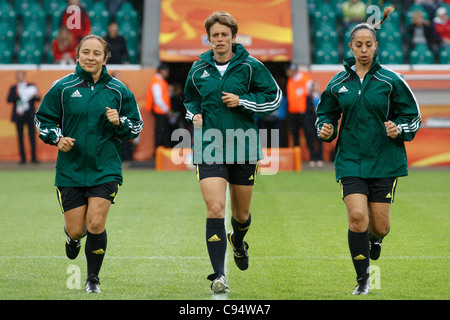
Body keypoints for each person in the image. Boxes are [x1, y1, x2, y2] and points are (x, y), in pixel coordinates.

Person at [316, 7, 421, 295]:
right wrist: (325, 129)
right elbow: (324, 114)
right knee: (357, 218)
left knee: (380, 226)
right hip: (350, 160)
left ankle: (376, 240)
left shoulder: (392, 80)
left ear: (376, 46)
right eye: (358, 45)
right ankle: (363, 280)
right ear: (350, 47)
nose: (363, 50)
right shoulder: (338, 82)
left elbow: (413, 116)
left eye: (368, 44)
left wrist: (398, 129)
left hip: (385, 160)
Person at [35, 35, 143, 293]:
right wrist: (57, 138)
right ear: (77, 55)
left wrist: (119, 123)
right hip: (70, 170)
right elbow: (42, 121)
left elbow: (136, 125)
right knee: (77, 230)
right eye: (86, 52)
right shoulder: (61, 87)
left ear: (106, 58)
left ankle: (92, 279)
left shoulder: (119, 90)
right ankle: (72, 240)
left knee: (96, 223)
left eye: (97, 53)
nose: (91, 57)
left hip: (105, 168)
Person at [183, 11, 281, 294]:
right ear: (209, 38)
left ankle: (237, 241)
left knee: (241, 214)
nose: (219, 39)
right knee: (214, 207)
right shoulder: (198, 68)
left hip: (244, 146)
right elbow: (190, 98)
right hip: (209, 146)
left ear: (233, 37)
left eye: (224, 34)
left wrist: (243, 101)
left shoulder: (251, 66)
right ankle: (219, 275)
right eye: (215, 35)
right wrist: (195, 113)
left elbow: (273, 97)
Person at [7, 70, 40, 164]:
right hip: (19, 114)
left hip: (29, 114)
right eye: (17, 75)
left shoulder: (31, 86)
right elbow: (9, 99)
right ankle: (23, 158)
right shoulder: (14, 88)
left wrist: (35, 95)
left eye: (21, 75)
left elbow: (38, 98)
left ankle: (34, 157)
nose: (19, 77)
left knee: (32, 136)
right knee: (20, 137)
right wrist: (20, 96)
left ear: (24, 76)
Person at [145, 63, 172, 150]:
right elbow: (158, 99)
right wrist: (166, 109)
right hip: (159, 111)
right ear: (161, 71)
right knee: (161, 132)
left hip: (161, 110)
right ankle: (159, 151)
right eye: (166, 71)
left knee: (161, 131)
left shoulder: (160, 81)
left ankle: (160, 150)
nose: (167, 73)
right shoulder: (157, 81)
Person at [285, 63, 312, 148]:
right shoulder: (290, 81)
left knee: (308, 133)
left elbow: (310, 95)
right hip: (293, 112)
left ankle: (312, 156)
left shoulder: (306, 80)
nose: (287, 73)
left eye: (288, 71)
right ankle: (297, 156)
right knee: (294, 134)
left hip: (304, 112)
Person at [305, 81, 323, 167]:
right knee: (311, 141)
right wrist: (314, 110)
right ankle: (312, 158)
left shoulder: (321, 96)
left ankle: (320, 158)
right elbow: (308, 108)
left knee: (320, 140)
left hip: (320, 121)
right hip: (311, 121)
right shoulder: (309, 97)